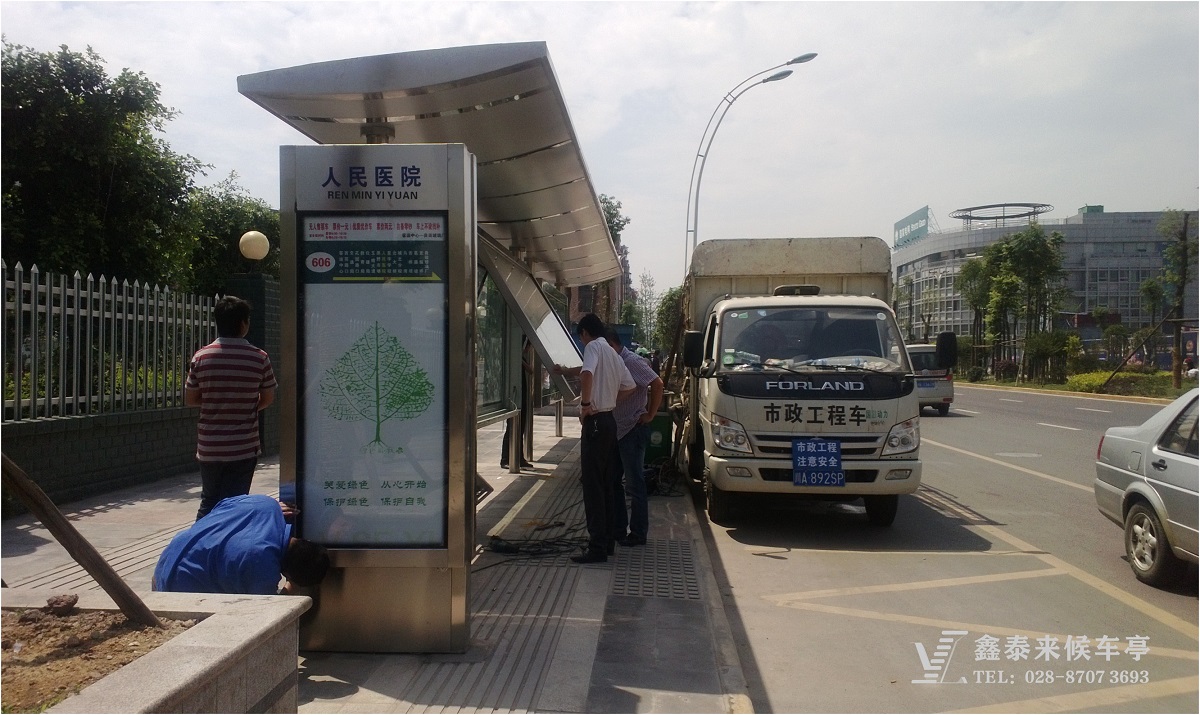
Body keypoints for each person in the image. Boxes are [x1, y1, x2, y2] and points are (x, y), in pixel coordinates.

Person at [186, 296, 278, 520]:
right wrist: (246, 405)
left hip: (210, 446)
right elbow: (268, 398)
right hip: (243, 445)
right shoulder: (259, 358)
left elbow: (191, 399)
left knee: (209, 500)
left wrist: (215, 402)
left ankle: (200, 538)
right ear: (244, 323)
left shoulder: (201, 357)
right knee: (236, 503)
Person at [553, 314, 635, 564]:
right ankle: (607, 542)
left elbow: (587, 373)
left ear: (585, 333)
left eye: (581, 337)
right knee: (608, 484)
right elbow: (630, 386)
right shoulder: (612, 352)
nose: (582, 342)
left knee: (593, 486)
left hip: (596, 423)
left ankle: (597, 547)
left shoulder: (592, 347)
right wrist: (608, 399)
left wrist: (586, 405)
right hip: (609, 422)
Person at [152, 494, 329, 595]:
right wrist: (292, 588)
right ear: (288, 574)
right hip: (177, 590)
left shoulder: (266, 504)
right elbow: (269, 616)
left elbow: (219, 507)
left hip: (167, 559)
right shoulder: (262, 569)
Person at [606, 332, 665, 547]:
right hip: (617, 430)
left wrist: (650, 414)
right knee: (613, 481)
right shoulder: (614, 362)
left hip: (632, 429)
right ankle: (618, 529)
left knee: (634, 484)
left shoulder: (631, 362)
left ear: (611, 344)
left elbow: (657, 383)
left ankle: (638, 533)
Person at [501, 338, 535, 470]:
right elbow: (530, 369)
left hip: (521, 397)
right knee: (512, 428)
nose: (528, 350)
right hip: (514, 398)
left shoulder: (520, 358)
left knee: (520, 428)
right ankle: (505, 458)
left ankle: (519, 457)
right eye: (528, 346)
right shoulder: (514, 359)